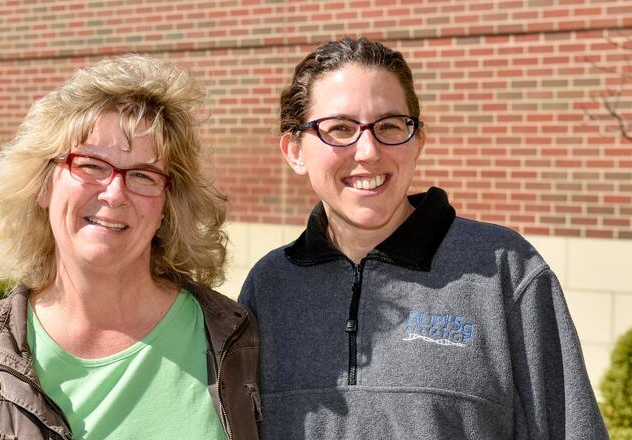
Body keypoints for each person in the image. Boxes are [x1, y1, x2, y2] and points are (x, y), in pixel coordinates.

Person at [238, 37, 608, 439]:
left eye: (390, 126)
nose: (368, 151)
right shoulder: (268, 288)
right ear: (294, 150)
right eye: (340, 128)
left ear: (418, 142)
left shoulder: (504, 271)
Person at [0, 54, 261, 440]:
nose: (115, 193)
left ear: (168, 204)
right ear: (44, 185)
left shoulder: (235, 343)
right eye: (91, 165)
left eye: (143, 175)